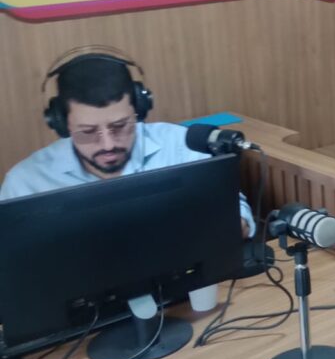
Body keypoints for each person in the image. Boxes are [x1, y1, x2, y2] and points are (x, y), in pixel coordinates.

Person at [0, 48, 255, 237]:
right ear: (61, 124)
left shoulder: (182, 146)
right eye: (88, 131)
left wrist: (229, 224)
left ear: (139, 110)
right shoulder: (26, 182)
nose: (108, 144)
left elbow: (239, 218)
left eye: (120, 126)